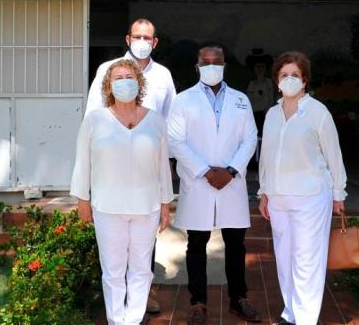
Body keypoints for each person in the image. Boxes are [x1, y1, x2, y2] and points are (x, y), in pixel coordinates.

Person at [71, 59, 174, 325]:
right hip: (107, 207)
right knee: (113, 272)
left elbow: (163, 165)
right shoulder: (95, 120)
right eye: (118, 78)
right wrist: (83, 199)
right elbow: (82, 163)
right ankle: (117, 320)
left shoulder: (156, 120)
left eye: (130, 76)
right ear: (109, 85)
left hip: (147, 207)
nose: (124, 81)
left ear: (139, 83)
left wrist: (166, 204)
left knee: (141, 270)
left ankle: (133, 319)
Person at [167, 44, 262, 324]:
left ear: (224, 65)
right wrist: (206, 172)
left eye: (216, 61)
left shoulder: (240, 100)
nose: (211, 66)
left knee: (236, 243)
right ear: (197, 66)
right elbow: (176, 141)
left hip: (231, 182)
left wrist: (230, 170)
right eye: (205, 62)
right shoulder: (183, 100)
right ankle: (198, 303)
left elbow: (250, 138)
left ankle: (238, 298)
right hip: (199, 183)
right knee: (196, 244)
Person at [258, 51, 348, 325]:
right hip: (278, 197)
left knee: (307, 260)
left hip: (311, 196)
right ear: (276, 80)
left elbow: (333, 154)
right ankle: (291, 314)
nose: (289, 79)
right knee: (284, 259)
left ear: (305, 80)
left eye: (294, 75)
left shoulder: (318, 112)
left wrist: (339, 193)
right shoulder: (273, 113)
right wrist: (263, 192)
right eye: (284, 75)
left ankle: (306, 319)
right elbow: (266, 155)